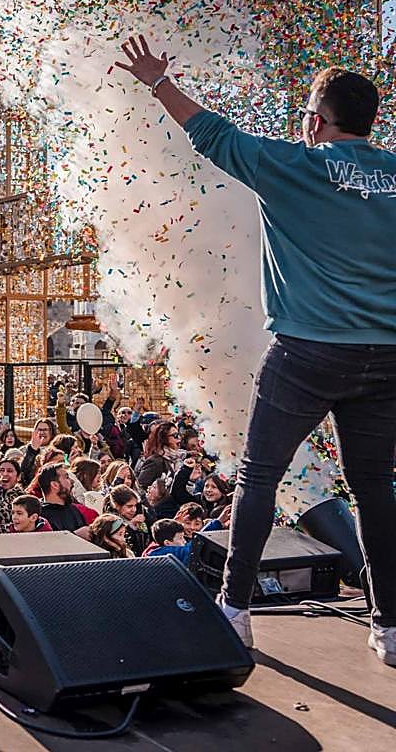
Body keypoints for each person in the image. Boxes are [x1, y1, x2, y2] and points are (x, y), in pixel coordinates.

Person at [120, 41, 396, 660]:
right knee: (374, 487)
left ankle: (235, 609)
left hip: (306, 354)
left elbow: (211, 133)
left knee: (258, 475)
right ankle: (390, 625)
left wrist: (158, 81)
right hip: (386, 358)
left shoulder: (294, 164)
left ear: (316, 122)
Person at [35, 462, 96, 537]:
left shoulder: (73, 509)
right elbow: (47, 543)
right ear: (55, 485)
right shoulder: (41, 515)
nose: (72, 481)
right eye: (67, 477)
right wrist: (75, 535)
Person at [103, 484, 151, 556]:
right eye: (129, 506)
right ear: (117, 505)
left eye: (135, 505)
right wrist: (130, 526)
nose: (133, 510)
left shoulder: (140, 514)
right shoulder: (110, 523)